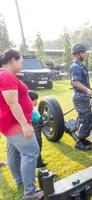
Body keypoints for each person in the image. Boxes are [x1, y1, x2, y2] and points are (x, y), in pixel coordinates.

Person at [0, 49, 43, 199]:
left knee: (13, 152)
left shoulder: (4, 75)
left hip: (8, 123)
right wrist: (24, 125)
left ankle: (20, 180)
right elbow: (12, 103)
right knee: (31, 152)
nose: (22, 63)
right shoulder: (7, 76)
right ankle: (30, 193)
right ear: (13, 60)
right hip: (15, 123)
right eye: (20, 61)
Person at [69, 43, 92, 151]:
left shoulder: (80, 65)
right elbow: (76, 83)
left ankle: (83, 139)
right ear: (77, 54)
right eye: (83, 52)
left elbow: (83, 82)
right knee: (86, 119)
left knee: (87, 118)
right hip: (80, 97)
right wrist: (88, 91)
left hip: (83, 96)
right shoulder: (75, 66)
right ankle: (79, 142)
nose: (85, 54)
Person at [28, 90, 46, 168]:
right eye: (34, 100)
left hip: (37, 128)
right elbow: (32, 120)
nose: (36, 102)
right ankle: (38, 163)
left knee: (39, 143)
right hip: (35, 128)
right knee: (37, 144)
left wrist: (41, 121)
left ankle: (39, 161)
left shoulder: (32, 109)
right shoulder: (28, 110)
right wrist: (39, 122)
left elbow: (37, 117)